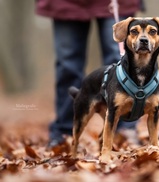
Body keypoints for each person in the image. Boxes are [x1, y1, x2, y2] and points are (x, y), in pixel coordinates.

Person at [36, 0, 142, 147]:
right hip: (64, 3)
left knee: (120, 60)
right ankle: (65, 132)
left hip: (117, 2)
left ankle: (125, 131)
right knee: (68, 66)